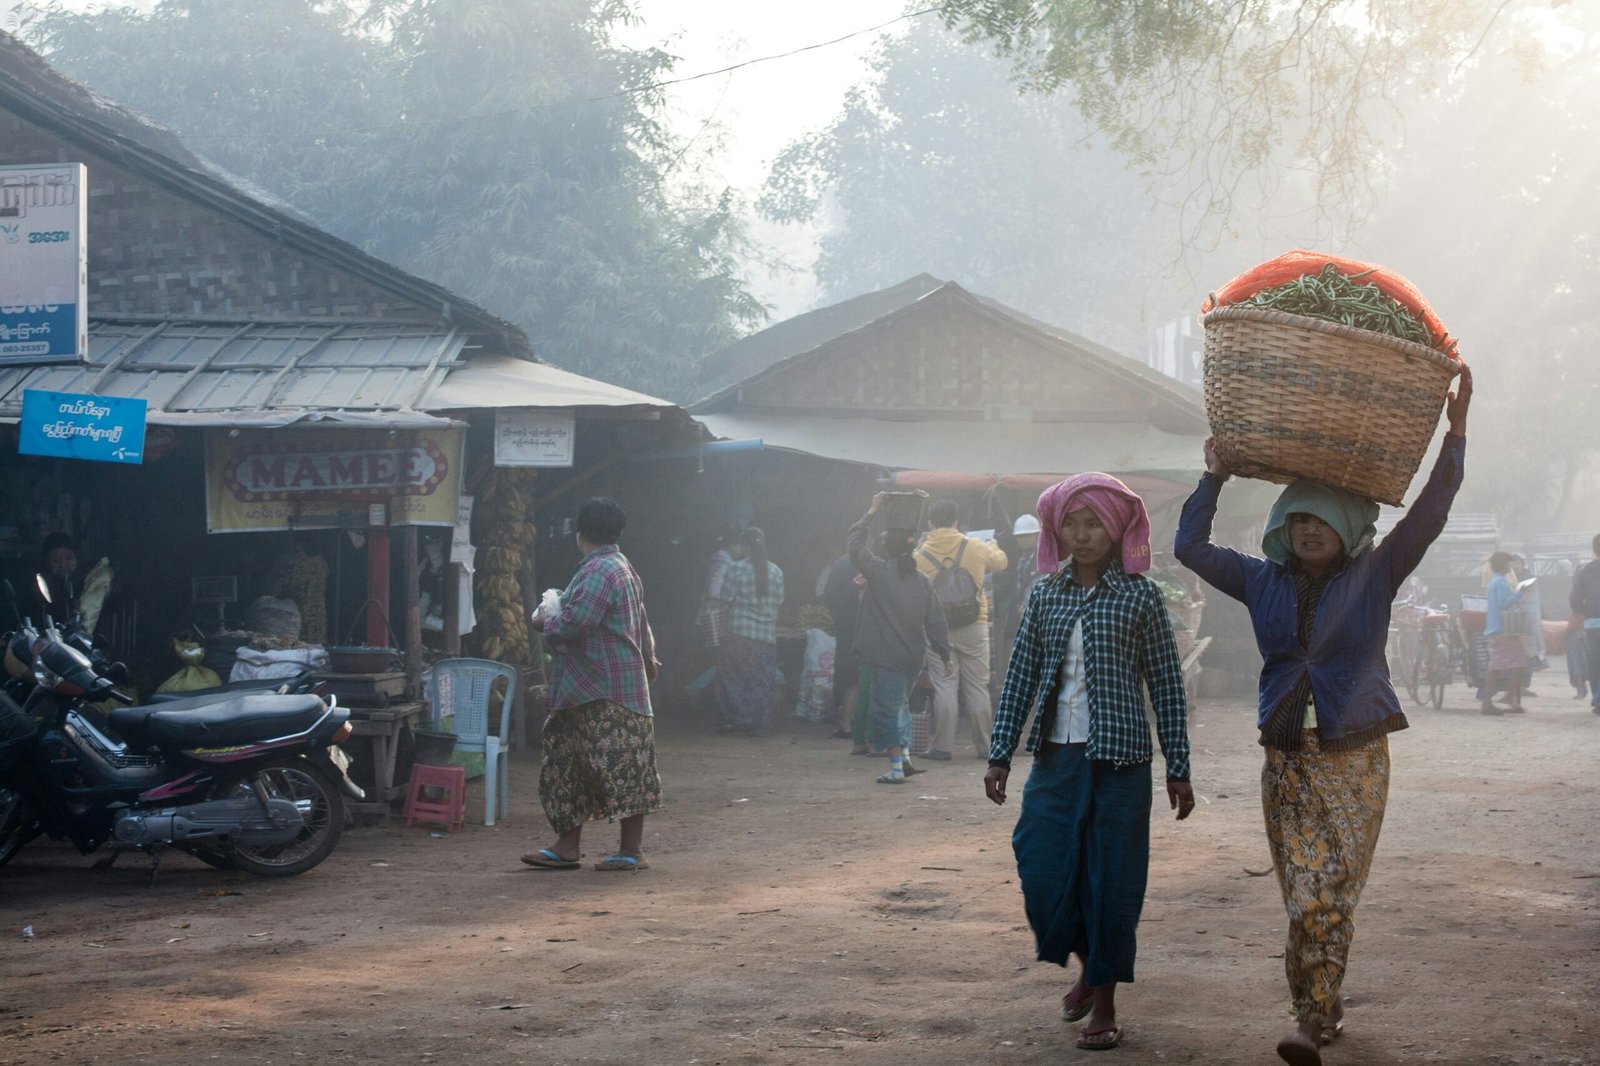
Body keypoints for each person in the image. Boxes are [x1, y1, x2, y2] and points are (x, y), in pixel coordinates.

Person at [1175, 366, 1471, 1066]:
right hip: (1285, 754)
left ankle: (1310, 1019)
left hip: (1355, 753)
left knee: (1327, 891)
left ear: (1347, 527)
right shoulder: (1259, 579)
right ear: (1282, 528)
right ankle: (1320, 1003)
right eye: (1297, 518)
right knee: (1303, 892)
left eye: (1322, 519)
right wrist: (1211, 478)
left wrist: (1455, 433)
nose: (1308, 530)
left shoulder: (1377, 574)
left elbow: (1429, 512)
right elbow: (1189, 548)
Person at [986, 473, 1194, 1053]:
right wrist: (1000, 752)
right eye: (1070, 524)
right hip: (1056, 758)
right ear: (1056, 529)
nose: (1081, 535)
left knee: (1111, 883)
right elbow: (1021, 675)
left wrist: (1178, 765)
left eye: (1093, 523)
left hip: (1121, 762)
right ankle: (1086, 965)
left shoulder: (1141, 595)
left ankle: (1103, 1002)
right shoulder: (1045, 594)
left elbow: (1167, 685)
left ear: (1117, 527)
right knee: (1042, 868)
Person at [523, 497, 662, 873]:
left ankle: (630, 851)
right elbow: (642, 623)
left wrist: (543, 623)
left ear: (580, 533)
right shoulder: (621, 567)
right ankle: (568, 846)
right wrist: (649, 660)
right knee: (572, 765)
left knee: (619, 766)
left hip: (603, 688)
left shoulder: (600, 571)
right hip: (594, 689)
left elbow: (575, 622)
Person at [849, 495, 950, 784]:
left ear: (885, 550)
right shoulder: (922, 581)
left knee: (888, 711)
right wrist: (945, 656)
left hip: (886, 658)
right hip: (911, 659)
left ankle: (895, 769)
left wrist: (871, 511)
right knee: (901, 707)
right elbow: (936, 622)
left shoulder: (879, 572)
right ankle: (904, 760)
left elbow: (854, 544)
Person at [917, 499, 1007, 760]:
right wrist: (995, 545)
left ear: (931, 523)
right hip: (974, 625)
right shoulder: (975, 546)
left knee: (944, 685)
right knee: (977, 687)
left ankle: (943, 747)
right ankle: (986, 746)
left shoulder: (920, 556)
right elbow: (1001, 563)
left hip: (937, 629)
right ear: (957, 521)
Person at [714, 527, 785, 734]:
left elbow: (725, 599)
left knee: (733, 679)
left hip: (739, 634)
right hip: (766, 637)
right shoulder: (776, 571)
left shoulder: (735, 569)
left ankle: (735, 721)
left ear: (745, 546)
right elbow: (779, 601)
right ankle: (756, 723)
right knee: (760, 681)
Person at [819, 551, 863, 739]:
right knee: (863, 675)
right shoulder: (877, 565)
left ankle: (845, 722)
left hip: (845, 627)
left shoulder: (840, 564)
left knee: (847, 672)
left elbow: (828, 595)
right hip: (870, 628)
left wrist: (839, 615)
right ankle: (862, 724)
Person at [1481, 551, 1529, 715]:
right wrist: (1520, 592)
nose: (1512, 566)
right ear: (1503, 565)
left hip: (1497, 628)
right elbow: (1505, 603)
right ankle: (1500, 699)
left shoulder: (1494, 581)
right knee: (1517, 662)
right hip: (1503, 630)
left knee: (1498, 665)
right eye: (1510, 563)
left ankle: (1498, 700)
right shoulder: (1501, 582)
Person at [1571, 533, 1600, 714]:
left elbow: (1574, 599)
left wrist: (1583, 612)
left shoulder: (1584, 572)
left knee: (1595, 662)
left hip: (1592, 624)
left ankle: (1597, 699)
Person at [32, 531, 79, 621]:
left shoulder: (84, 585)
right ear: (46, 561)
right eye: (56, 560)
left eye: (68, 558)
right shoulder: (41, 588)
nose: (63, 564)